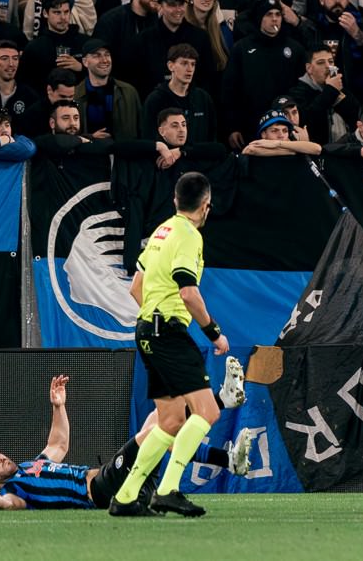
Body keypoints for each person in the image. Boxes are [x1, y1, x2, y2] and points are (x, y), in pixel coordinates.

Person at [106, 171, 245, 517]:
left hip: (147, 330)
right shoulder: (188, 235)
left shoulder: (161, 231)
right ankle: (167, 490)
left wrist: (153, 320)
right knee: (207, 411)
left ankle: (125, 496)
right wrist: (214, 332)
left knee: (169, 421)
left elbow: (135, 288)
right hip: (166, 332)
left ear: (175, 201)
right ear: (207, 206)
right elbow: (188, 292)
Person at [0, 375, 257, 511]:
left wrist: (58, 406)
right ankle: (221, 401)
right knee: (157, 424)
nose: (1, 458)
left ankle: (229, 460)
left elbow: (58, 444)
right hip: (99, 491)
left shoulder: (29, 467)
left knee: (163, 428)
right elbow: (6, 505)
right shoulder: (15, 491)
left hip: (120, 483)